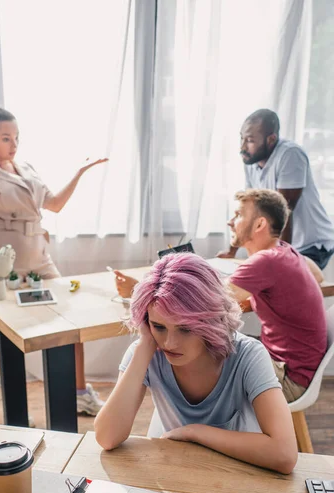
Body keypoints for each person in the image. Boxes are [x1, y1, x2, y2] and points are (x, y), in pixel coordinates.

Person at [0, 104, 108, 415]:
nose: (13, 145)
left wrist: (79, 173)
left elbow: (54, 204)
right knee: (8, 334)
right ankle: (17, 408)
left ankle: (79, 393)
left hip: (39, 255)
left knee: (72, 324)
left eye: (16, 137)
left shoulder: (25, 167)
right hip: (5, 259)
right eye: (6, 138)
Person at [94, 253, 298, 474]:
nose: (169, 343)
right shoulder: (146, 351)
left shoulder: (248, 355)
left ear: (211, 319)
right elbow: (107, 437)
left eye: (185, 328)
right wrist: (144, 346)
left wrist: (195, 432)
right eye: (158, 326)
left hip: (241, 474)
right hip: (178, 471)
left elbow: (284, 454)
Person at [227, 189, 327, 403]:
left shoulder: (266, 261)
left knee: (203, 354)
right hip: (300, 371)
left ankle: (199, 430)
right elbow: (317, 275)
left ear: (259, 224)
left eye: (238, 215)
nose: (230, 221)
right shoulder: (285, 251)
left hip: (287, 380)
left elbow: (210, 299)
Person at [218, 109, 334, 269]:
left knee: (284, 286)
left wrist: (282, 261)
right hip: (284, 244)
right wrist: (232, 251)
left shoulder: (290, 155)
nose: (242, 147)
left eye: (250, 141)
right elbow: (247, 208)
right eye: (242, 138)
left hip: (311, 244)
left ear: (271, 139)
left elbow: (284, 212)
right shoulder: (251, 159)